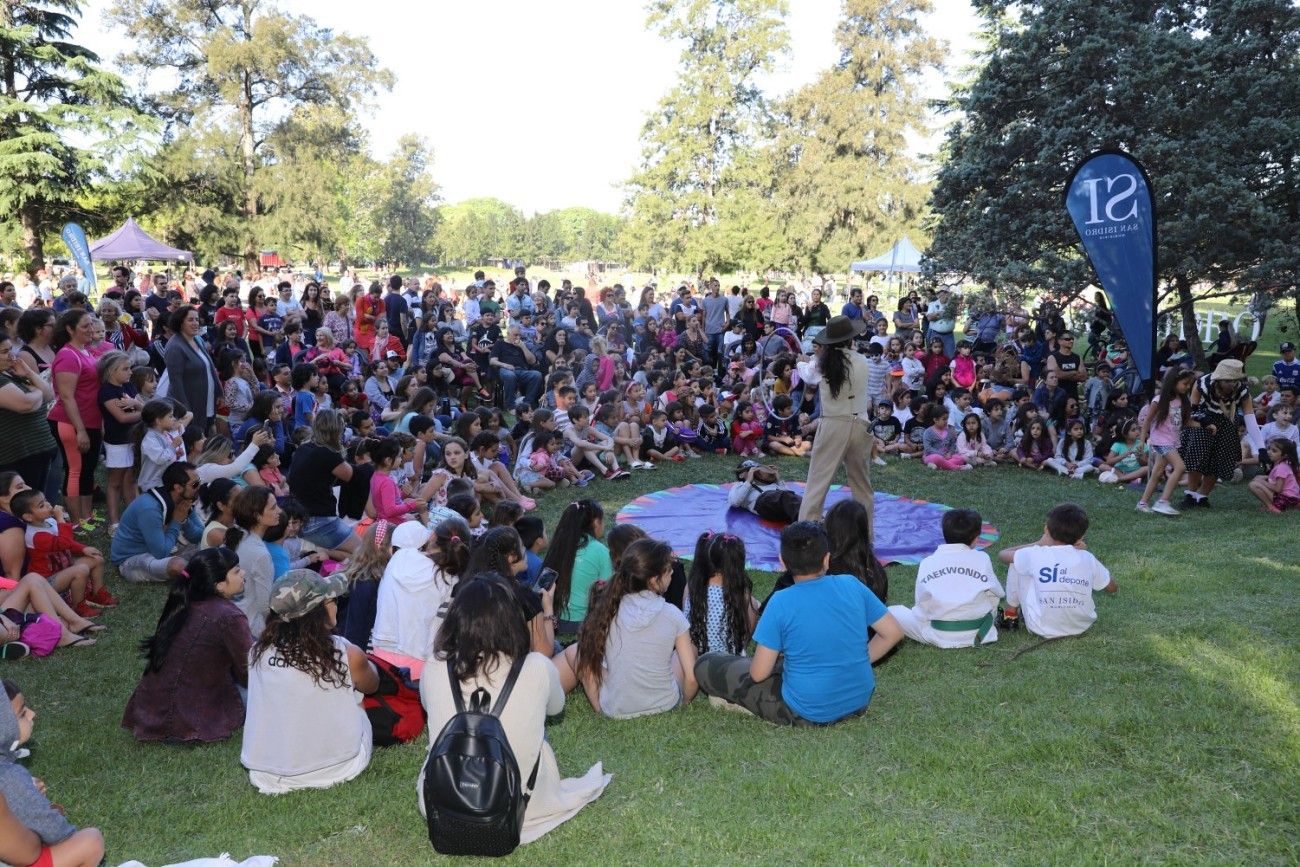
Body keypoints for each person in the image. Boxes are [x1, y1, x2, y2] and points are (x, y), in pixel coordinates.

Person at [418, 575, 610, 844]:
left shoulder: (435, 666)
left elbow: (430, 708)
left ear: (456, 620)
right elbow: (556, 708)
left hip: (445, 799)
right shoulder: (535, 666)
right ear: (512, 620)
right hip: (521, 803)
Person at [694, 521, 902, 726]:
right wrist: (860, 659)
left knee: (706, 663)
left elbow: (758, 674)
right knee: (786, 662)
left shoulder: (781, 601)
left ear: (782, 562)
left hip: (806, 711)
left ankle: (745, 704)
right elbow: (892, 632)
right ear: (827, 559)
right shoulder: (852, 584)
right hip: (859, 700)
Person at [241, 569, 379, 794]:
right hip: (339, 767)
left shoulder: (257, 651)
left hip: (266, 773)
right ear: (319, 611)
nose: (336, 605)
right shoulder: (344, 651)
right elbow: (372, 685)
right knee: (357, 696)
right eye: (332, 600)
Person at [554, 538, 697, 719]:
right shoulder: (673, 614)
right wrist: (683, 703)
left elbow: (590, 655)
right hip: (666, 703)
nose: (672, 575)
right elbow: (691, 678)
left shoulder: (608, 608)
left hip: (615, 709)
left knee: (577, 651)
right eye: (669, 571)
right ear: (654, 580)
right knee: (687, 650)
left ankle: (599, 708)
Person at [122, 547, 252, 742]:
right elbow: (249, 672)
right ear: (219, 585)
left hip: (152, 711)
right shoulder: (229, 616)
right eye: (236, 570)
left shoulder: (186, 599)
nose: (243, 574)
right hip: (189, 717)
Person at [1, 680, 106, 866]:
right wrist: (65, 836)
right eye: (22, 713)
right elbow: (47, 827)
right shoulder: (8, 774)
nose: (32, 714)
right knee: (91, 840)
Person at [797, 316, 876, 524]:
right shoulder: (862, 360)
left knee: (818, 480)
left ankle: (806, 530)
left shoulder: (822, 362)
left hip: (833, 424)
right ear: (850, 338)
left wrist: (799, 362)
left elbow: (807, 375)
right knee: (862, 485)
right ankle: (866, 535)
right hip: (861, 425)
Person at [997, 503, 1116, 639]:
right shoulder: (1087, 557)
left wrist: (1039, 543)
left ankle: (1010, 616)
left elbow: (1003, 554)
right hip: (1080, 626)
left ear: (1046, 529)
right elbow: (1112, 588)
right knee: (1021, 560)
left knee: (1016, 561)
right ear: (1081, 537)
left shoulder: (1034, 554)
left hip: (1040, 627)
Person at [888, 509, 1004, 648]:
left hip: (939, 634)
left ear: (944, 533)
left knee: (892, 611)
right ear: (976, 538)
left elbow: (921, 607)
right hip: (981, 631)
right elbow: (998, 593)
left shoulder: (928, 562)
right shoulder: (982, 558)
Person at [370, 520, 466, 679]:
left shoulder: (400, 557)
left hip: (381, 652)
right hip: (420, 660)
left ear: (432, 536)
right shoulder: (451, 580)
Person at [47, 309, 104, 528]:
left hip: (90, 421)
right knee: (75, 470)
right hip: (71, 422)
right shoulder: (67, 355)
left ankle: (87, 514)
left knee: (88, 469)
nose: (91, 329)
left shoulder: (86, 351)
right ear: (70, 329)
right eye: (85, 326)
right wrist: (80, 430)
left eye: (91, 324)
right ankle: (77, 521)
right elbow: (67, 396)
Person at [111, 461, 203, 583]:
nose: (199, 487)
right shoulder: (150, 507)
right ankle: (201, 582)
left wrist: (183, 519)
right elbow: (161, 553)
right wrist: (176, 521)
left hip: (162, 549)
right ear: (178, 487)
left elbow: (200, 535)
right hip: (131, 559)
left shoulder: (183, 499)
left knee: (212, 542)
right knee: (178, 566)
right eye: (195, 484)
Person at [287, 410, 359, 555]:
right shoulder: (327, 454)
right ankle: (319, 550)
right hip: (318, 520)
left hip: (302, 517)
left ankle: (321, 551)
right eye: (342, 429)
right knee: (363, 551)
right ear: (336, 432)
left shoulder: (303, 448)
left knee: (353, 552)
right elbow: (353, 476)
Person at [540, 499, 611, 629]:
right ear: (596, 522)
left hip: (553, 616)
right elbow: (608, 589)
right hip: (585, 621)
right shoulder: (601, 551)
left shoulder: (559, 544)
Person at [0, 334, 57, 493]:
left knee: (40, 502)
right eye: (5, 352)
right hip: (17, 456)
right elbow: (25, 404)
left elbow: (49, 395)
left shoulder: (11, 372)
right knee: (25, 505)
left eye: (11, 349)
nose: (12, 355)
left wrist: (29, 373)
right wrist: (36, 391)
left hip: (37, 451)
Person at [683, 532, 756, 656]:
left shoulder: (692, 587)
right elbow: (746, 634)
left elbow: (685, 622)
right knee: (754, 604)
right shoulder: (741, 593)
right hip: (728, 663)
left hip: (695, 658)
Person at [224, 486, 281, 637]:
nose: (279, 511)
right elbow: (265, 607)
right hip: (249, 624)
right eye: (273, 507)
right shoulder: (260, 554)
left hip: (228, 614)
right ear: (258, 516)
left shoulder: (234, 535)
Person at [1138, 368, 1195, 516]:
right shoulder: (1159, 401)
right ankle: (1163, 501)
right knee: (1180, 467)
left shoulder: (1182, 401)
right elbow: (1147, 422)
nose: (1188, 387)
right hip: (1161, 441)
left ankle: (1142, 503)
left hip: (1172, 440)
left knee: (1157, 473)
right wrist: (1142, 441)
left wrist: (1205, 426)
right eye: (1185, 383)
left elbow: (1186, 422)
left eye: (1189, 384)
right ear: (1173, 382)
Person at [162, 306, 220, 438]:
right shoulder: (175, 346)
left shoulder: (197, 339)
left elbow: (209, 366)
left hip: (207, 400)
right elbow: (175, 381)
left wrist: (218, 391)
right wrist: (185, 410)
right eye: (190, 320)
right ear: (180, 322)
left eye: (197, 319)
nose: (195, 323)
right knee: (194, 441)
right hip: (190, 403)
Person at [1249, 438, 1300, 513]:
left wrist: (1261, 481)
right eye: (1269, 448)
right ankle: (1272, 505)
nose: (1269, 452)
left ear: (1284, 455)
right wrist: (1262, 478)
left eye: (1274, 451)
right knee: (1258, 479)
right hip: (1289, 499)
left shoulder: (1281, 467)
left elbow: (1277, 489)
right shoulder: (1282, 464)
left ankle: (1271, 507)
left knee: (1253, 485)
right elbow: (1275, 478)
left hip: (1287, 500)